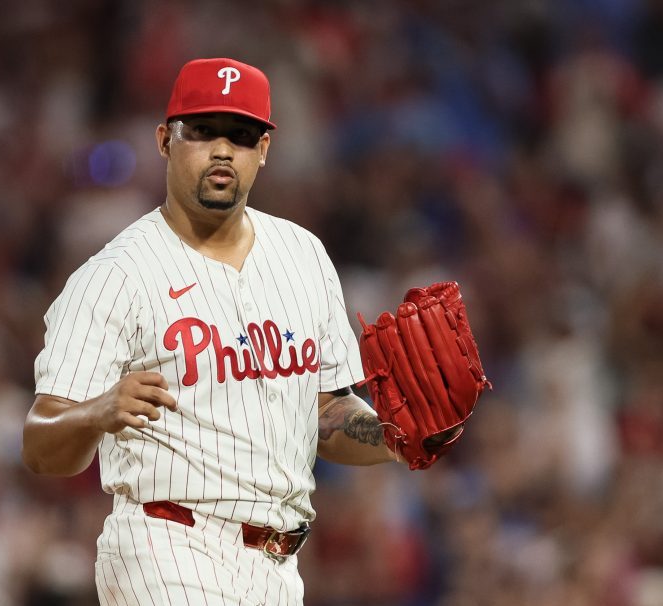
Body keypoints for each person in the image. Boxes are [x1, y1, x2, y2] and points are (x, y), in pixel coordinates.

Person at [22, 57, 401, 606]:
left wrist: (397, 434)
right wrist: (97, 411)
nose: (223, 149)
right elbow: (39, 444)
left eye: (242, 135)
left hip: (278, 566)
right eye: (202, 131)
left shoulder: (304, 256)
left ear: (264, 149)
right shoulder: (115, 276)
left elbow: (326, 415)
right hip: (165, 545)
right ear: (164, 140)